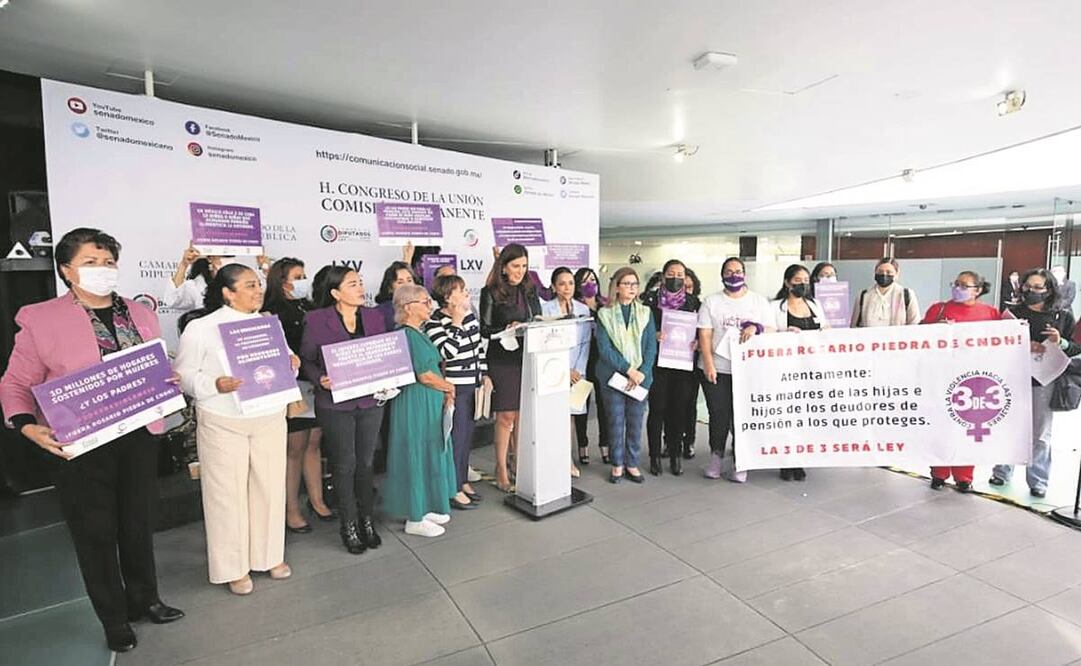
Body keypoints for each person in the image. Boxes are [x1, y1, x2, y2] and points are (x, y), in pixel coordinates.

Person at [0, 228, 184, 652]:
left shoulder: (141, 313)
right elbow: (14, 383)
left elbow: (151, 365)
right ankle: (114, 618)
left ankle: (146, 598)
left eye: (108, 262)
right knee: (95, 532)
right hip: (80, 444)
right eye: (90, 262)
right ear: (67, 270)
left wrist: (164, 378)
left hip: (139, 434)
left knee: (137, 523)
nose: (102, 270)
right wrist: (26, 425)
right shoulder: (40, 318)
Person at [174, 264, 296, 595]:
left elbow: (282, 360)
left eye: (258, 285)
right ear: (228, 292)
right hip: (222, 419)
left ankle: (269, 556)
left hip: (268, 415)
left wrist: (292, 361)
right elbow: (182, 375)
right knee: (226, 495)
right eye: (249, 286)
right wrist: (215, 383)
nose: (258, 290)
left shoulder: (268, 324)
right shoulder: (200, 328)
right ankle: (233, 567)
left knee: (270, 488)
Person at [298, 266, 387, 554]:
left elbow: (385, 353)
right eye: (352, 284)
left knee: (365, 463)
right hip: (335, 404)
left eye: (360, 283)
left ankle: (367, 520)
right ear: (336, 293)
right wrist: (318, 378)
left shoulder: (374, 316)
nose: (361, 288)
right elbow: (307, 360)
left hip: (370, 401)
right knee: (344, 464)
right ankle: (348, 525)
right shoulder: (316, 320)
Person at [991, 268, 1081, 497]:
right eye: (1028, 286)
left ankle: (1038, 481)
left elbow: (1074, 348)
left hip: (1045, 379)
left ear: (1049, 290)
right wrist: (1024, 344)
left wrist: (1059, 342)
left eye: (1038, 287)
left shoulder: (1063, 315)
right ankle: (1001, 472)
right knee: (1007, 426)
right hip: (1012, 376)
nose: (1032, 291)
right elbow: (997, 343)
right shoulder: (1012, 312)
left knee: (1041, 433)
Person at [262, 258, 335, 533]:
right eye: (297, 276)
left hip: (314, 383)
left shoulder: (310, 306)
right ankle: (290, 508)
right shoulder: (271, 311)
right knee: (294, 449)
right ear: (281, 281)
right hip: (291, 387)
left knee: (314, 443)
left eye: (305, 275)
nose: (303, 280)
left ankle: (317, 501)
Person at [382, 284, 458, 536]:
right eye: (425, 302)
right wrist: (448, 387)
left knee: (429, 452)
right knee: (416, 453)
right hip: (415, 403)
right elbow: (424, 375)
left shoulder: (419, 332)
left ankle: (424, 506)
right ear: (408, 307)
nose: (431, 306)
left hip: (428, 402)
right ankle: (414, 517)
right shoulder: (406, 334)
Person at [919, 270, 1001, 492]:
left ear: (978, 290)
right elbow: (919, 337)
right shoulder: (939, 309)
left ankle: (964, 476)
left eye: (964, 285)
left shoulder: (991, 313)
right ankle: (939, 473)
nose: (958, 288)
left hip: (974, 379)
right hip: (942, 375)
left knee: (968, 425)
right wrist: (936, 330)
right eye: (956, 284)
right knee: (941, 425)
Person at [698, 257, 773, 479]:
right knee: (718, 414)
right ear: (722, 275)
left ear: (745, 274)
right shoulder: (711, 302)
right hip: (718, 369)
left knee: (743, 416)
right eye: (729, 271)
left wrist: (755, 327)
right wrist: (709, 365)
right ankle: (716, 457)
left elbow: (771, 329)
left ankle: (742, 463)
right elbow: (705, 334)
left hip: (748, 371)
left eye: (738, 271)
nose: (734, 275)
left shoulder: (758, 301)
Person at [424, 274, 491, 508]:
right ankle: (451, 488)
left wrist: (483, 374)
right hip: (453, 388)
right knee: (454, 439)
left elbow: (478, 349)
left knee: (466, 438)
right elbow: (447, 352)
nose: (466, 294)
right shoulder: (433, 322)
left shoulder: (470, 316)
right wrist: (456, 322)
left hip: (472, 384)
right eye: (461, 291)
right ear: (447, 297)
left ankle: (461, 480)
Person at [479, 244, 541, 491]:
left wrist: (526, 325)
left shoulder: (529, 289)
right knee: (506, 416)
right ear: (504, 267)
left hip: (526, 356)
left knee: (522, 415)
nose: (520, 271)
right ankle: (501, 468)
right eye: (515, 266)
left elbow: (536, 319)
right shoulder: (490, 292)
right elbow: (484, 328)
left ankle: (518, 463)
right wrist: (507, 329)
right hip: (502, 359)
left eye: (524, 266)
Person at [596, 267, 657, 484]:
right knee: (615, 421)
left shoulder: (645, 313)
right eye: (627, 284)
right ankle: (617, 464)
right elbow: (605, 349)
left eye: (635, 284)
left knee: (635, 421)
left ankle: (632, 463)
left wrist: (641, 372)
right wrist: (628, 370)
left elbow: (651, 346)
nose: (631, 288)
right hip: (614, 377)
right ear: (617, 287)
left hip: (640, 378)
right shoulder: (604, 314)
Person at [770, 264, 829, 481]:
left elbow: (825, 328)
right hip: (785, 371)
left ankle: (800, 459)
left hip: (811, 370)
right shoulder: (775, 307)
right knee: (787, 418)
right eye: (797, 280)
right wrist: (782, 333)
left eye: (805, 280)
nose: (802, 284)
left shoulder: (815, 305)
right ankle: (786, 460)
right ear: (787, 282)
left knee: (806, 417)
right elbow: (766, 332)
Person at [641, 259, 700, 476]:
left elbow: (701, 332)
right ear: (663, 276)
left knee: (678, 411)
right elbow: (640, 331)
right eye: (671, 274)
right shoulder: (649, 302)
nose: (676, 278)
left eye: (680, 274)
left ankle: (675, 455)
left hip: (683, 366)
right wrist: (652, 335)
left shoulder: (694, 303)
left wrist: (697, 342)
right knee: (657, 410)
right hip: (658, 364)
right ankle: (655, 456)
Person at [541, 267, 592, 476]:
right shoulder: (546, 310)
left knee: (570, 417)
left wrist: (577, 370)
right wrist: (564, 369)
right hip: (553, 370)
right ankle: (550, 459)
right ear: (554, 286)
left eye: (570, 283)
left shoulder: (583, 309)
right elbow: (545, 343)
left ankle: (567, 460)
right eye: (562, 283)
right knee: (553, 417)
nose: (567, 287)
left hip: (577, 373)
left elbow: (585, 342)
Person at [573, 267, 610, 464]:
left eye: (593, 280)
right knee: (581, 406)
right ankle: (582, 445)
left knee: (604, 406)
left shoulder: (605, 306)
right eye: (585, 281)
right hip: (582, 362)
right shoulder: (575, 308)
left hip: (602, 362)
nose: (590, 284)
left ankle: (605, 445)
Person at [851, 257, 920, 327]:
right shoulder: (863, 295)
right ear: (875, 273)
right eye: (880, 272)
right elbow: (854, 326)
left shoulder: (906, 295)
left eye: (889, 272)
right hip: (870, 337)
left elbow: (915, 325)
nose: (884, 275)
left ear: (896, 274)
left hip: (896, 337)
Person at [680, 268, 703, 460]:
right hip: (670, 361)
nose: (685, 290)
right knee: (670, 405)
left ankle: (689, 441)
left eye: (689, 286)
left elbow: (705, 333)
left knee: (689, 404)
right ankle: (669, 440)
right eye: (682, 286)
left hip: (691, 362)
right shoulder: (669, 305)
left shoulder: (699, 305)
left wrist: (699, 342)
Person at [162, 244, 221, 312]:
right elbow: (173, 300)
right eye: (226, 256)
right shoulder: (197, 285)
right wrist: (184, 264)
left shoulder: (235, 281)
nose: (230, 260)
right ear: (210, 258)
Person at [374, 261, 416, 329]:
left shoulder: (424, 307)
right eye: (400, 282)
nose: (407, 285)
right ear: (390, 288)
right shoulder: (379, 313)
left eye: (409, 280)